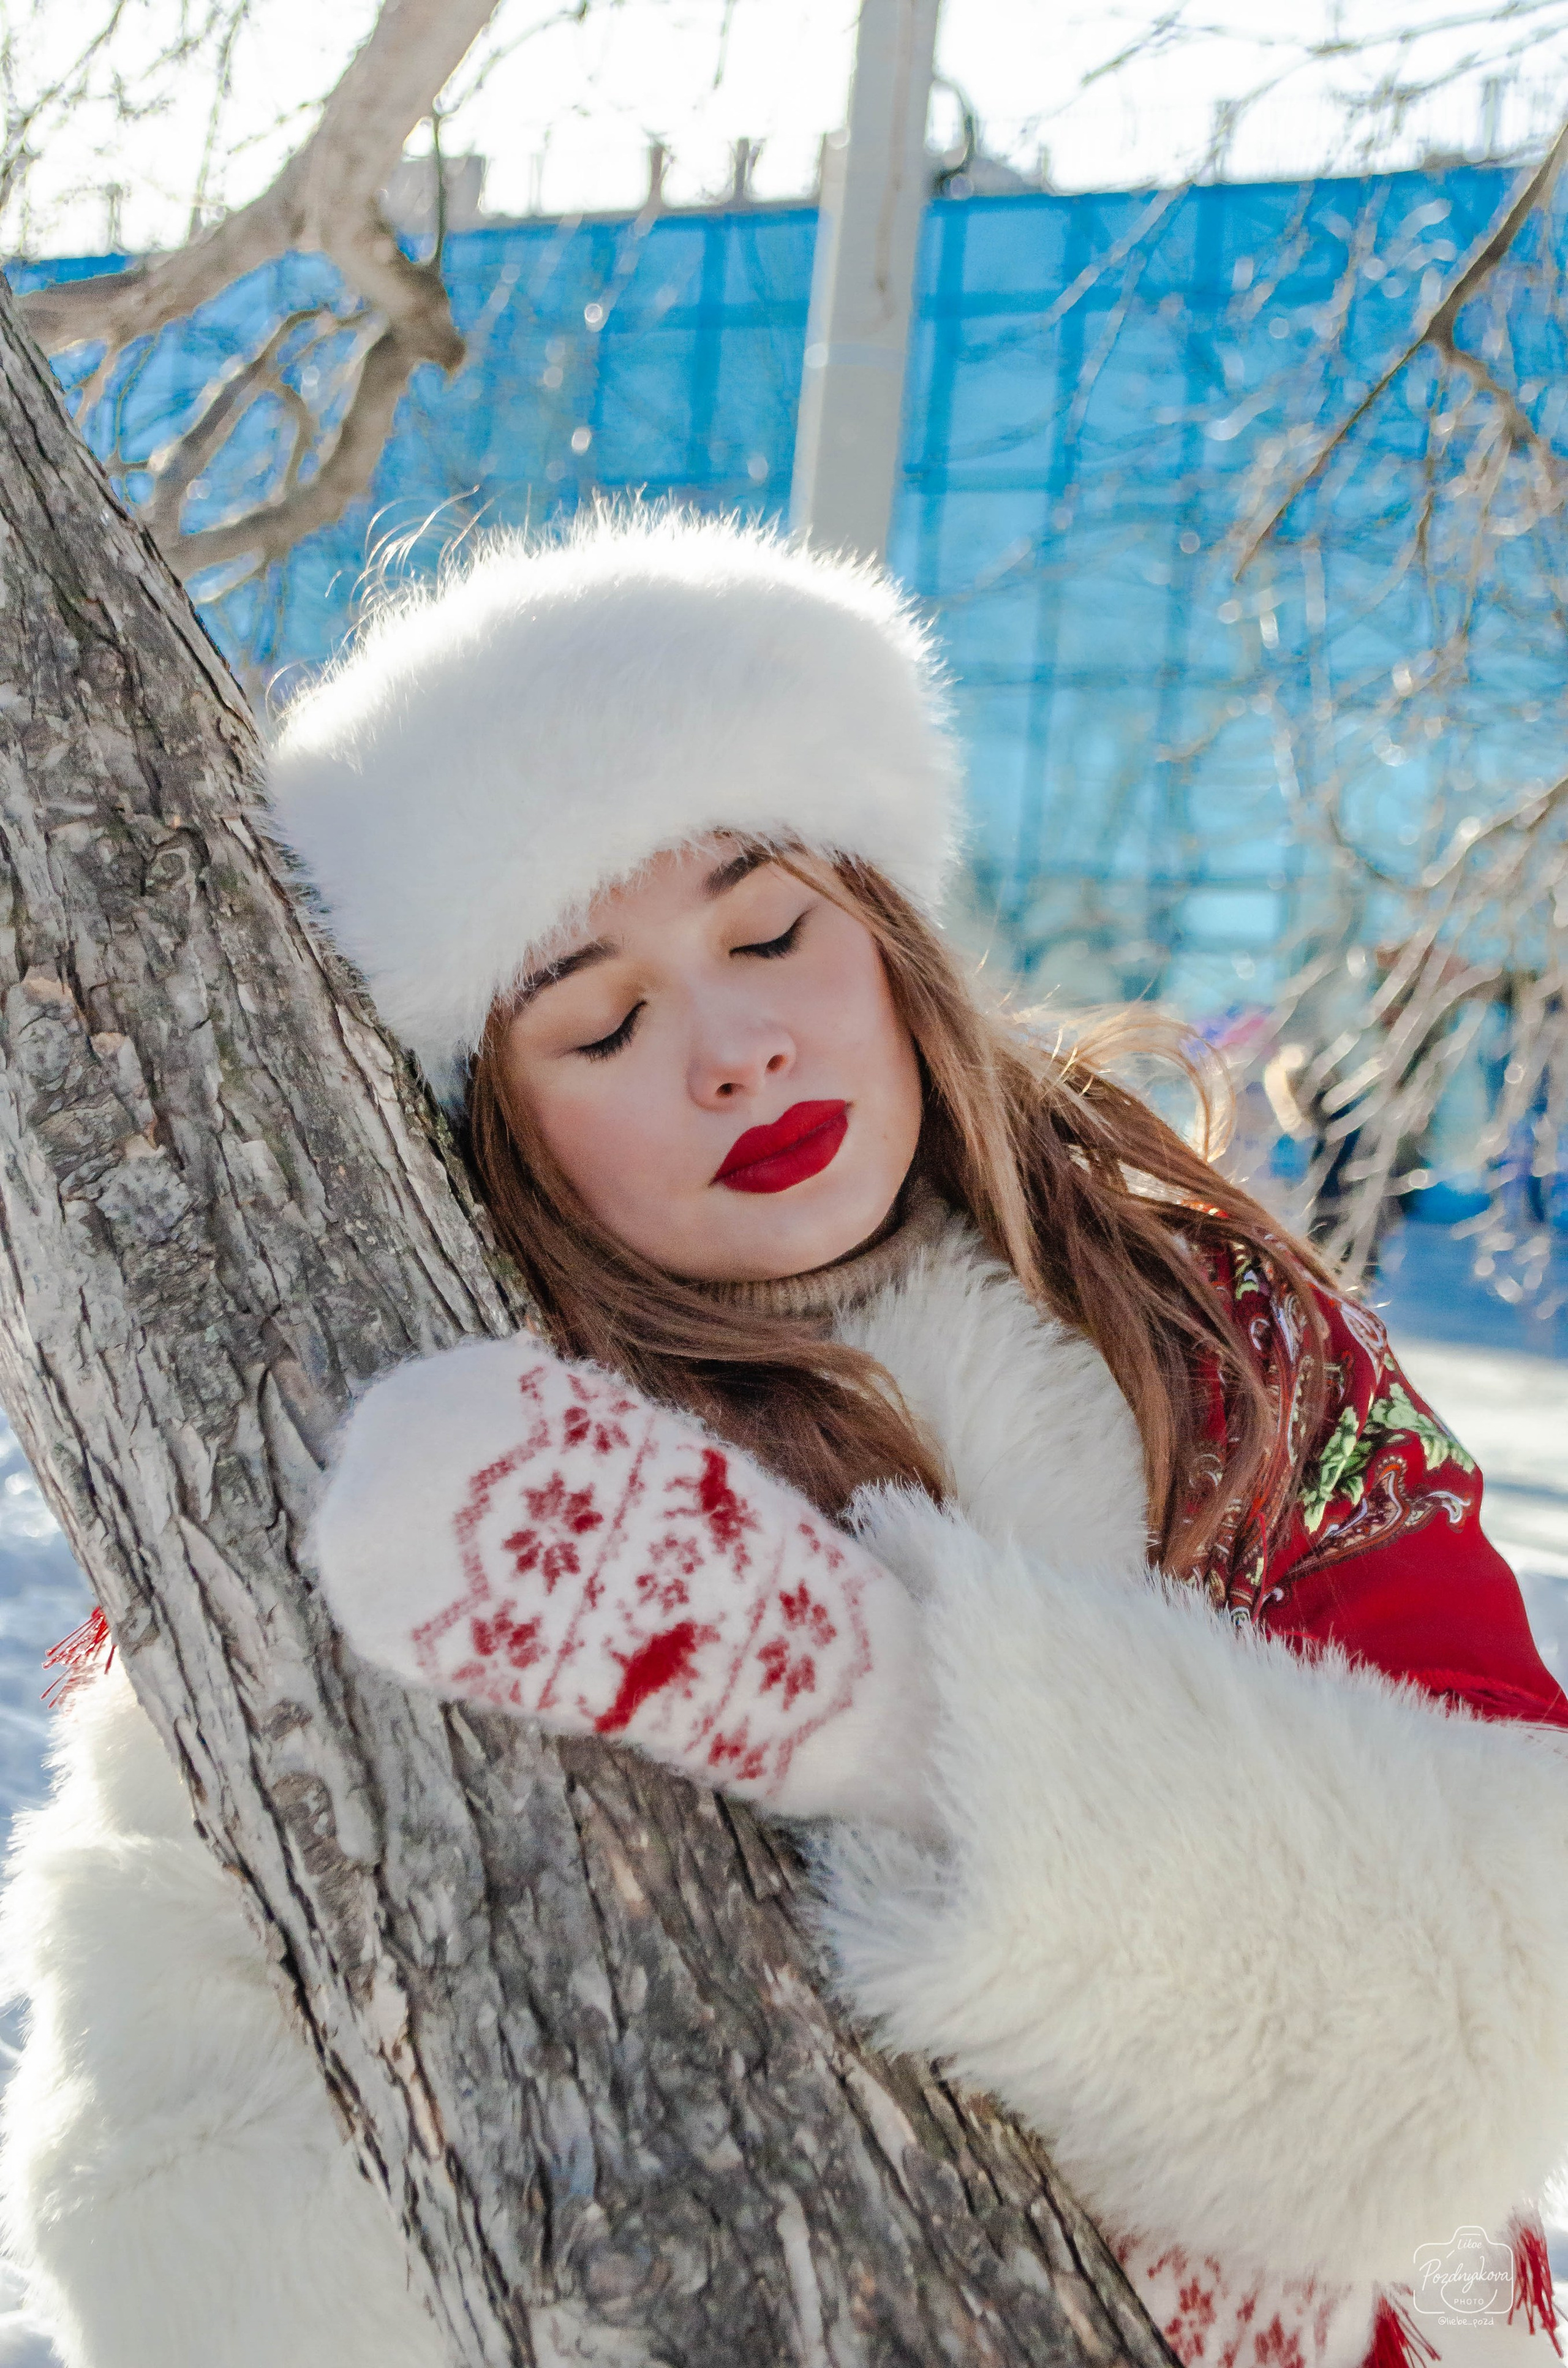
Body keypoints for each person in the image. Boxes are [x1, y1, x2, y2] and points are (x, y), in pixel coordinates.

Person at [5, 510, 1568, 2368]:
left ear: (892, 929)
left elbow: (1521, 1970)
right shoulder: (451, 1509)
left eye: (769, 927)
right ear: (490, 1131)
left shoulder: (1210, 1340)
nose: (733, 1046)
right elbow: (172, 2208)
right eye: (598, 1023)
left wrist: (898, 1716)